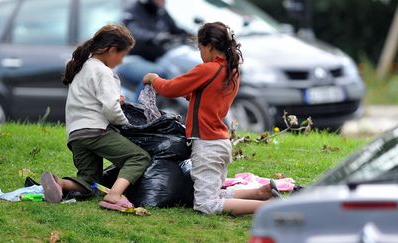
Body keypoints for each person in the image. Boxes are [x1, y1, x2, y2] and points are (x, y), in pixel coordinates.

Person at [142, 22, 280, 216]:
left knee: (207, 204)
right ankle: (260, 193)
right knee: (215, 193)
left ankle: (269, 208)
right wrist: (189, 94)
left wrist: (153, 79)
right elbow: (205, 97)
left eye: (199, 48)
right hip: (220, 142)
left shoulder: (207, 69)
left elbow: (171, 88)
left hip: (207, 145)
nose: (200, 53)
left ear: (209, 46)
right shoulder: (232, 71)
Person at [40, 24, 151, 210]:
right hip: (95, 132)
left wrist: (116, 101)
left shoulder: (82, 68)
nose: (121, 61)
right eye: (122, 56)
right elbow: (110, 109)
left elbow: (93, 100)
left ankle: (59, 183)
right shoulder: (103, 71)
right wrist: (128, 126)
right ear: (112, 50)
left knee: (89, 181)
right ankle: (114, 196)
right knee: (139, 157)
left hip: (76, 136)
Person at [117, 0, 191, 101]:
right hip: (131, 59)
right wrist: (154, 37)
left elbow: (176, 29)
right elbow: (131, 31)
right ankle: (139, 112)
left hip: (154, 60)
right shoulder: (132, 11)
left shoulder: (161, 12)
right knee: (156, 73)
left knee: (173, 71)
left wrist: (194, 36)